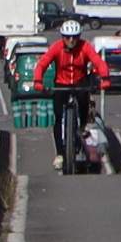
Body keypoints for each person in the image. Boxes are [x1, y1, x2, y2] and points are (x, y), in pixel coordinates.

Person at [38, 20, 102, 170]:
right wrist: (38, 81)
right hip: (61, 83)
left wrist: (104, 78)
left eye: (74, 37)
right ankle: (60, 153)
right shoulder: (56, 48)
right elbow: (42, 64)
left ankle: (82, 127)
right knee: (58, 117)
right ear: (62, 37)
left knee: (84, 101)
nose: (71, 40)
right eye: (67, 37)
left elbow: (98, 62)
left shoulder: (85, 47)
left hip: (80, 82)